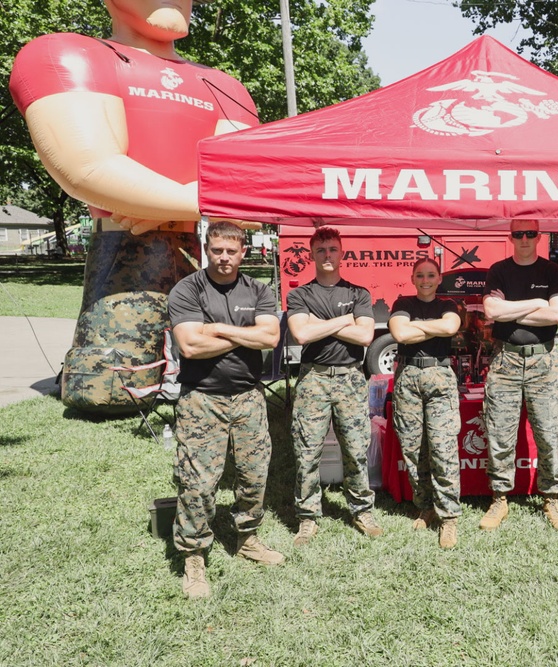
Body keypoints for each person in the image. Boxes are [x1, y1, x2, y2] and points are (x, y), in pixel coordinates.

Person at [9, 0, 258, 413]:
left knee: (220, 376)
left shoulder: (223, 85)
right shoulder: (68, 54)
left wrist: (158, 203)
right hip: (124, 258)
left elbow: (252, 187)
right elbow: (88, 166)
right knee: (107, 391)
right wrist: (200, 201)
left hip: (204, 257)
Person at [168, 221, 282, 601]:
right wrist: (241, 332)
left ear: (243, 252)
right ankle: (194, 557)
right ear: (206, 248)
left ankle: (247, 538)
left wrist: (217, 329)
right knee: (198, 483)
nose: (224, 257)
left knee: (254, 476)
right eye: (217, 250)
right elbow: (190, 347)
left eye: (231, 251)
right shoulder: (188, 289)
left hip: (249, 398)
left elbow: (269, 337)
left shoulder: (259, 290)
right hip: (202, 399)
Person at [287, 226, 381, 544]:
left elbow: (365, 336)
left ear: (341, 253)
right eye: (321, 250)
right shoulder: (299, 295)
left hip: (350, 378)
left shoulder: (358, 294)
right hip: (313, 378)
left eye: (332, 249)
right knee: (307, 451)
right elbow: (301, 334)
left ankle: (361, 510)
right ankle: (308, 517)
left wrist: (320, 323)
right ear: (312, 255)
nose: (327, 255)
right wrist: (346, 320)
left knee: (355, 451)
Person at [479, 219, 558, 531]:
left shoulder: (551, 272)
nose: (525, 239)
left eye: (530, 233)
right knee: (500, 432)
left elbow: (557, 314)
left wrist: (512, 309)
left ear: (539, 236)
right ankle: (499, 498)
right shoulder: (499, 271)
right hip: (506, 360)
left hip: (543, 362)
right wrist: (535, 303)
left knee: (548, 432)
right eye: (518, 234)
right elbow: (492, 311)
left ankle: (551, 498)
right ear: (511, 237)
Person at [388, 258, 463, 549]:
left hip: (440, 376)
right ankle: (426, 505)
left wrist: (418, 326)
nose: (426, 279)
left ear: (439, 277)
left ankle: (449, 517)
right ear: (412, 278)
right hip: (408, 377)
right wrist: (435, 328)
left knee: (443, 447)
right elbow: (400, 334)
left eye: (431, 274)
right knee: (413, 446)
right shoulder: (402, 302)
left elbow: (451, 328)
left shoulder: (448, 305)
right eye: (420, 275)